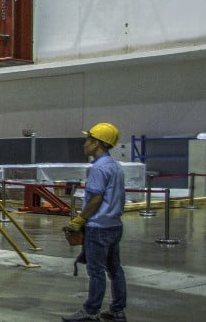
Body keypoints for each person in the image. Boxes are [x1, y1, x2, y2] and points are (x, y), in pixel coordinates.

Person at [62, 123, 127, 322]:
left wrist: (80, 219)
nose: (85, 144)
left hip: (98, 227)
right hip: (115, 225)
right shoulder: (115, 166)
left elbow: (96, 199)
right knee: (115, 269)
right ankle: (117, 310)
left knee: (96, 272)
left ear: (97, 143)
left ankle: (91, 312)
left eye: (88, 140)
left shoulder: (98, 168)